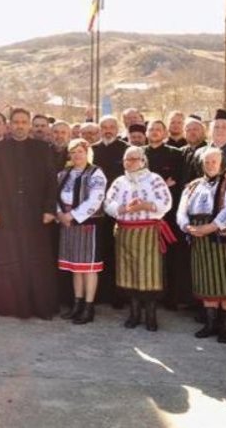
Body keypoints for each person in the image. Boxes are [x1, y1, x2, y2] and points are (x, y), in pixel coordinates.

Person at [0, 108, 59, 320]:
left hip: (36, 213)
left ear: (29, 125)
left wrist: (49, 209)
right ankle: (11, 306)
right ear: (10, 125)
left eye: (23, 122)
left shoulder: (43, 148)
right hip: (6, 212)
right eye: (16, 122)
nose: (19, 125)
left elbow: (51, 181)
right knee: (10, 259)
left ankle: (40, 306)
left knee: (36, 259)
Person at [104, 145, 174, 331]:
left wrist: (144, 205)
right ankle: (134, 314)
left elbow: (165, 203)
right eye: (127, 159)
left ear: (143, 161)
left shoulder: (154, 179)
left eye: (134, 159)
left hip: (147, 232)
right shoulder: (119, 181)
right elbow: (108, 203)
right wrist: (123, 208)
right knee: (128, 273)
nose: (129, 162)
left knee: (149, 274)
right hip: (125, 233)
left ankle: (151, 315)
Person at [177, 147, 226, 343]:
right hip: (198, 236)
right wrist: (186, 226)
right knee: (206, 280)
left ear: (221, 163)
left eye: (214, 161)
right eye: (207, 162)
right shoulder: (192, 186)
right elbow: (181, 210)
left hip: (222, 236)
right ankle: (211, 324)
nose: (210, 165)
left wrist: (212, 226)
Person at [55, 138, 107, 325]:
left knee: (88, 267)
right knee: (75, 267)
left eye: (81, 151)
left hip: (87, 225)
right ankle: (77, 304)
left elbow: (95, 200)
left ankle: (88, 307)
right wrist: (60, 214)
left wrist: (73, 215)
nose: (77, 155)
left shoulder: (96, 173)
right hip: (67, 224)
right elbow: (55, 196)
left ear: (87, 153)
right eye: (74, 151)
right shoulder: (64, 173)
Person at [145, 120, 191, 310]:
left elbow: (179, 182)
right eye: (151, 129)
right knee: (147, 254)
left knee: (171, 256)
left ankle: (171, 297)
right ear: (147, 132)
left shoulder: (176, 154)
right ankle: (148, 296)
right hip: (145, 214)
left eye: (158, 130)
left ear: (165, 133)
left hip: (169, 214)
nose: (155, 132)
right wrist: (164, 184)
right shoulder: (139, 153)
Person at [92, 115, 129, 309]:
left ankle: (117, 295)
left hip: (118, 210)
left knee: (117, 252)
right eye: (104, 127)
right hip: (95, 210)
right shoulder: (92, 150)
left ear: (117, 129)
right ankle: (98, 293)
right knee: (98, 250)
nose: (107, 130)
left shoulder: (125, 149)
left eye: (111, 127)